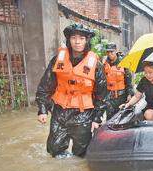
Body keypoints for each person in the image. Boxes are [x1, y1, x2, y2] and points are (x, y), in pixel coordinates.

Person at [36, 23, 107, 158]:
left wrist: (97, 119)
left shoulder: (96, 65)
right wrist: (42, 109)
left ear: (86, 40)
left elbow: (102, 95)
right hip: (60, 111)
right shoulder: (58, 59)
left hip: (84, 113)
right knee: (54, 150)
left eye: (81, 38)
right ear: (69, 40)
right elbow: (45, 86)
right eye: (73, 38)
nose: (77, 42)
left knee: (81, 154)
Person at [103, 42, 134, 119]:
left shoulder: (123, 63)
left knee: (122, 119)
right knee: (110, 120)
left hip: (121, 97)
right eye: (108, 52)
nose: (110, 54)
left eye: (112, 52)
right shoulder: (104, 64)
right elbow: (101, 82)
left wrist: (130, 94)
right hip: (109, 98)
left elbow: (128, 80)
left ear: (116, 51)